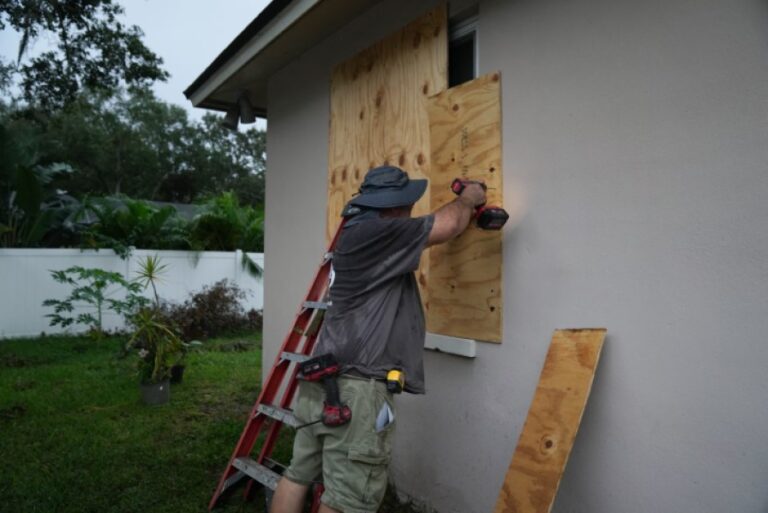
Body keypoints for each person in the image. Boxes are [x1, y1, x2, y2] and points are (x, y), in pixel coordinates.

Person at [270, 165, 487, 513]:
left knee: (298, 473)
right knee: (347, 498)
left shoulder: (353, 235)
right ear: (392, 208)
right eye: (406, 205)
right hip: (355, 391)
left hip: (321, 380)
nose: (410, 212)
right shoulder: (377, 233)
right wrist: (469, 198)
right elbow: (448, 225)